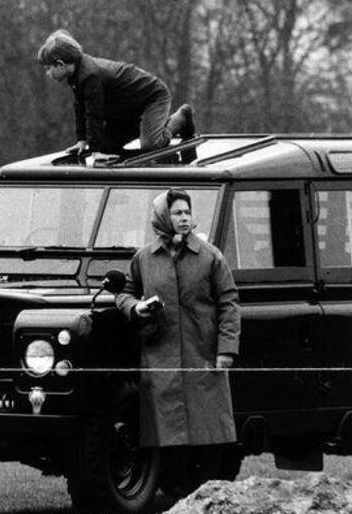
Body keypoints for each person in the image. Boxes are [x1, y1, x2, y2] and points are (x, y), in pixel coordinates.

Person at [116, 188, 240, 486]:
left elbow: (229, 302)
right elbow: (124, 293)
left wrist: (226, 350)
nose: (184, 218)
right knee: (167, 433)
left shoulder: (210, 256)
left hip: (203, 355)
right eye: (177, 213)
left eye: (187, 212)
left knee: (209, 431)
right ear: (162, 217)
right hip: (161, 358)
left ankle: (209, 492)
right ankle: (174, 494)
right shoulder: (144, 258)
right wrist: (136, 308)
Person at [37, 29, 195, 164]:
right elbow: (80, 107)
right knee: (106, 146)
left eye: (49, 68)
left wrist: (95, 152)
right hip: (127, 109)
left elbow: (94, 114)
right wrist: (82, 140)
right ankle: (146, 135)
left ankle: (180, 119)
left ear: (61, 64)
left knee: (150, 146)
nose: (48, 73)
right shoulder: (76, 75)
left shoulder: (90, 76)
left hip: (151, 97)